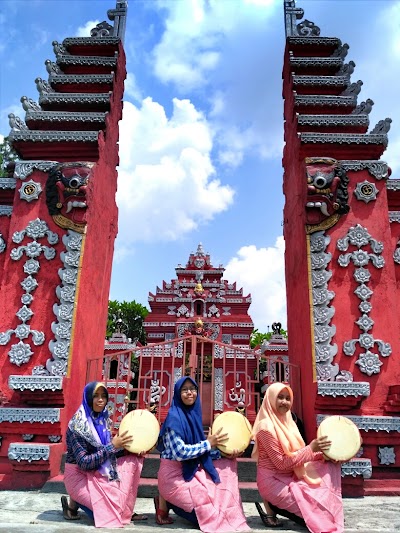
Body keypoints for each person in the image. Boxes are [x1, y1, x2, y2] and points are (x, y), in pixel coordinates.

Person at [156, 376, 250, 533]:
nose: (189, 393)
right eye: (184, 390)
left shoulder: (193, 415)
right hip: (173, 477)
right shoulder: (173, 419)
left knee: (226, 468)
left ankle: (171, 502)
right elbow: (181, 453)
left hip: (190, 472)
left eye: (192, 389)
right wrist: (208, 443)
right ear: (178, 394)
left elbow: (201, 451)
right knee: (208, 516)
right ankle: (166, 501)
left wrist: (226, 454)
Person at [252, 382, 344, 532]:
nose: (284, 402)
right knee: (320, 517)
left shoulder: (289, 423)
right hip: (273, 482)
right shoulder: (265, 428)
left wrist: (325, 456)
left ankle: (275, 508)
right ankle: (273, 505)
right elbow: (281, 463)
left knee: (329, 467)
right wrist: (311, 448)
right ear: (270, 398)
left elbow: (301, 453)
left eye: (288, 398)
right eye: (280, 397)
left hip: (292, 477)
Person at [62, 381, 145, 528]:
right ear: (88, 397)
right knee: (110, 514)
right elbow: (84, 462)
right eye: (96, 396)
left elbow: (104, 450)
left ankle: (77, 501)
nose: (101, 400)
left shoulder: (101, 419)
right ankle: (74, 499)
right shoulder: (77, 426)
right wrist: (112, 446)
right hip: (79, 475)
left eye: (104, 396)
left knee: (133, 459)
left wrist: (131, 449)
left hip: (97, 471)